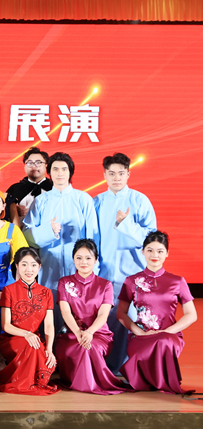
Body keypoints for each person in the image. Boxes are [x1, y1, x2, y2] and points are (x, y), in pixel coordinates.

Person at [94, 152, 158, 372]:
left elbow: (151, 239)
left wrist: (126, 224)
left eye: (121, 173)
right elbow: (91, 238)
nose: (116, 178)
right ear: (104, 175)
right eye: (111, 173)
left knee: (129, 321)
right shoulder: (97, 202)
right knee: (103, 320)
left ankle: (127, 367)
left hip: (132, 273)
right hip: (103, 272)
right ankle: (103, 366)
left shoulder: (140, 200)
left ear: (128, 174)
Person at [118, 231, 197, 395]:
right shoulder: (131, 281)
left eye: (160, 251)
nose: (155, 255)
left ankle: (158, 382)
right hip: (141, 336)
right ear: (143, 252)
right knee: (156, 343)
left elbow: (191, 314)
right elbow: (121, 313)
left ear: (167, 253)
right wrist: (139, 332)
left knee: (163, 341)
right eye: (150, 250)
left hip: (170, 336)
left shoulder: (178, 281)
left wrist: (166, 332)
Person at [56, 240, 127, 395]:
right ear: (73, 259)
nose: (84, 262)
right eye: (79, 258)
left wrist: (89, 332)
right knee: (75, 346)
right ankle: (80, 381)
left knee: (89, 346)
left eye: (88, 258)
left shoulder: (105, 285)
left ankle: (87, 383)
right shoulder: (64, 282)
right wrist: (78, 333)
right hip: (71, 333)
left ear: (96, 260)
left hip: (98, 334)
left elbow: (103, 314)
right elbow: (65, 312)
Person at [23, 152, 99, 298]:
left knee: (79, 304)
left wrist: (94, 266)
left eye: (64, 169)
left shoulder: (83, 199)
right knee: (50, 303)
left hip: (79, 264)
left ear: (70, 172)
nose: (60, 173)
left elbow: (94, 235)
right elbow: (26, 234)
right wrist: (48, 231)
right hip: (49, 263)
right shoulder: (40, 201)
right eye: (55, 169)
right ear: (49, 172)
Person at [0, 248, 59, 395]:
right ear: (16, 266)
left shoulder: (46, 293)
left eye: (33, 265)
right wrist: (26, 334)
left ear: (39, 267)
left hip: (35, 339)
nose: (29, 269)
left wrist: (49, 349)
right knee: (32, 348)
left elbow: (49, 325)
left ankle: (26, 381)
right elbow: (5, 325)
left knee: (45, 360)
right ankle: (24, 383)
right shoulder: (8, 290)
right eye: (24, 264)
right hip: (12, 338)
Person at [6, 147, 52, 226]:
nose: (34, 166)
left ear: (46, 165)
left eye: (38, 162)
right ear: (24, 166)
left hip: (51, 232)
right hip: (21, 232)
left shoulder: (55, 188)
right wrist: (13, 210)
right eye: (29, 163)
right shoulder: (14, 189)